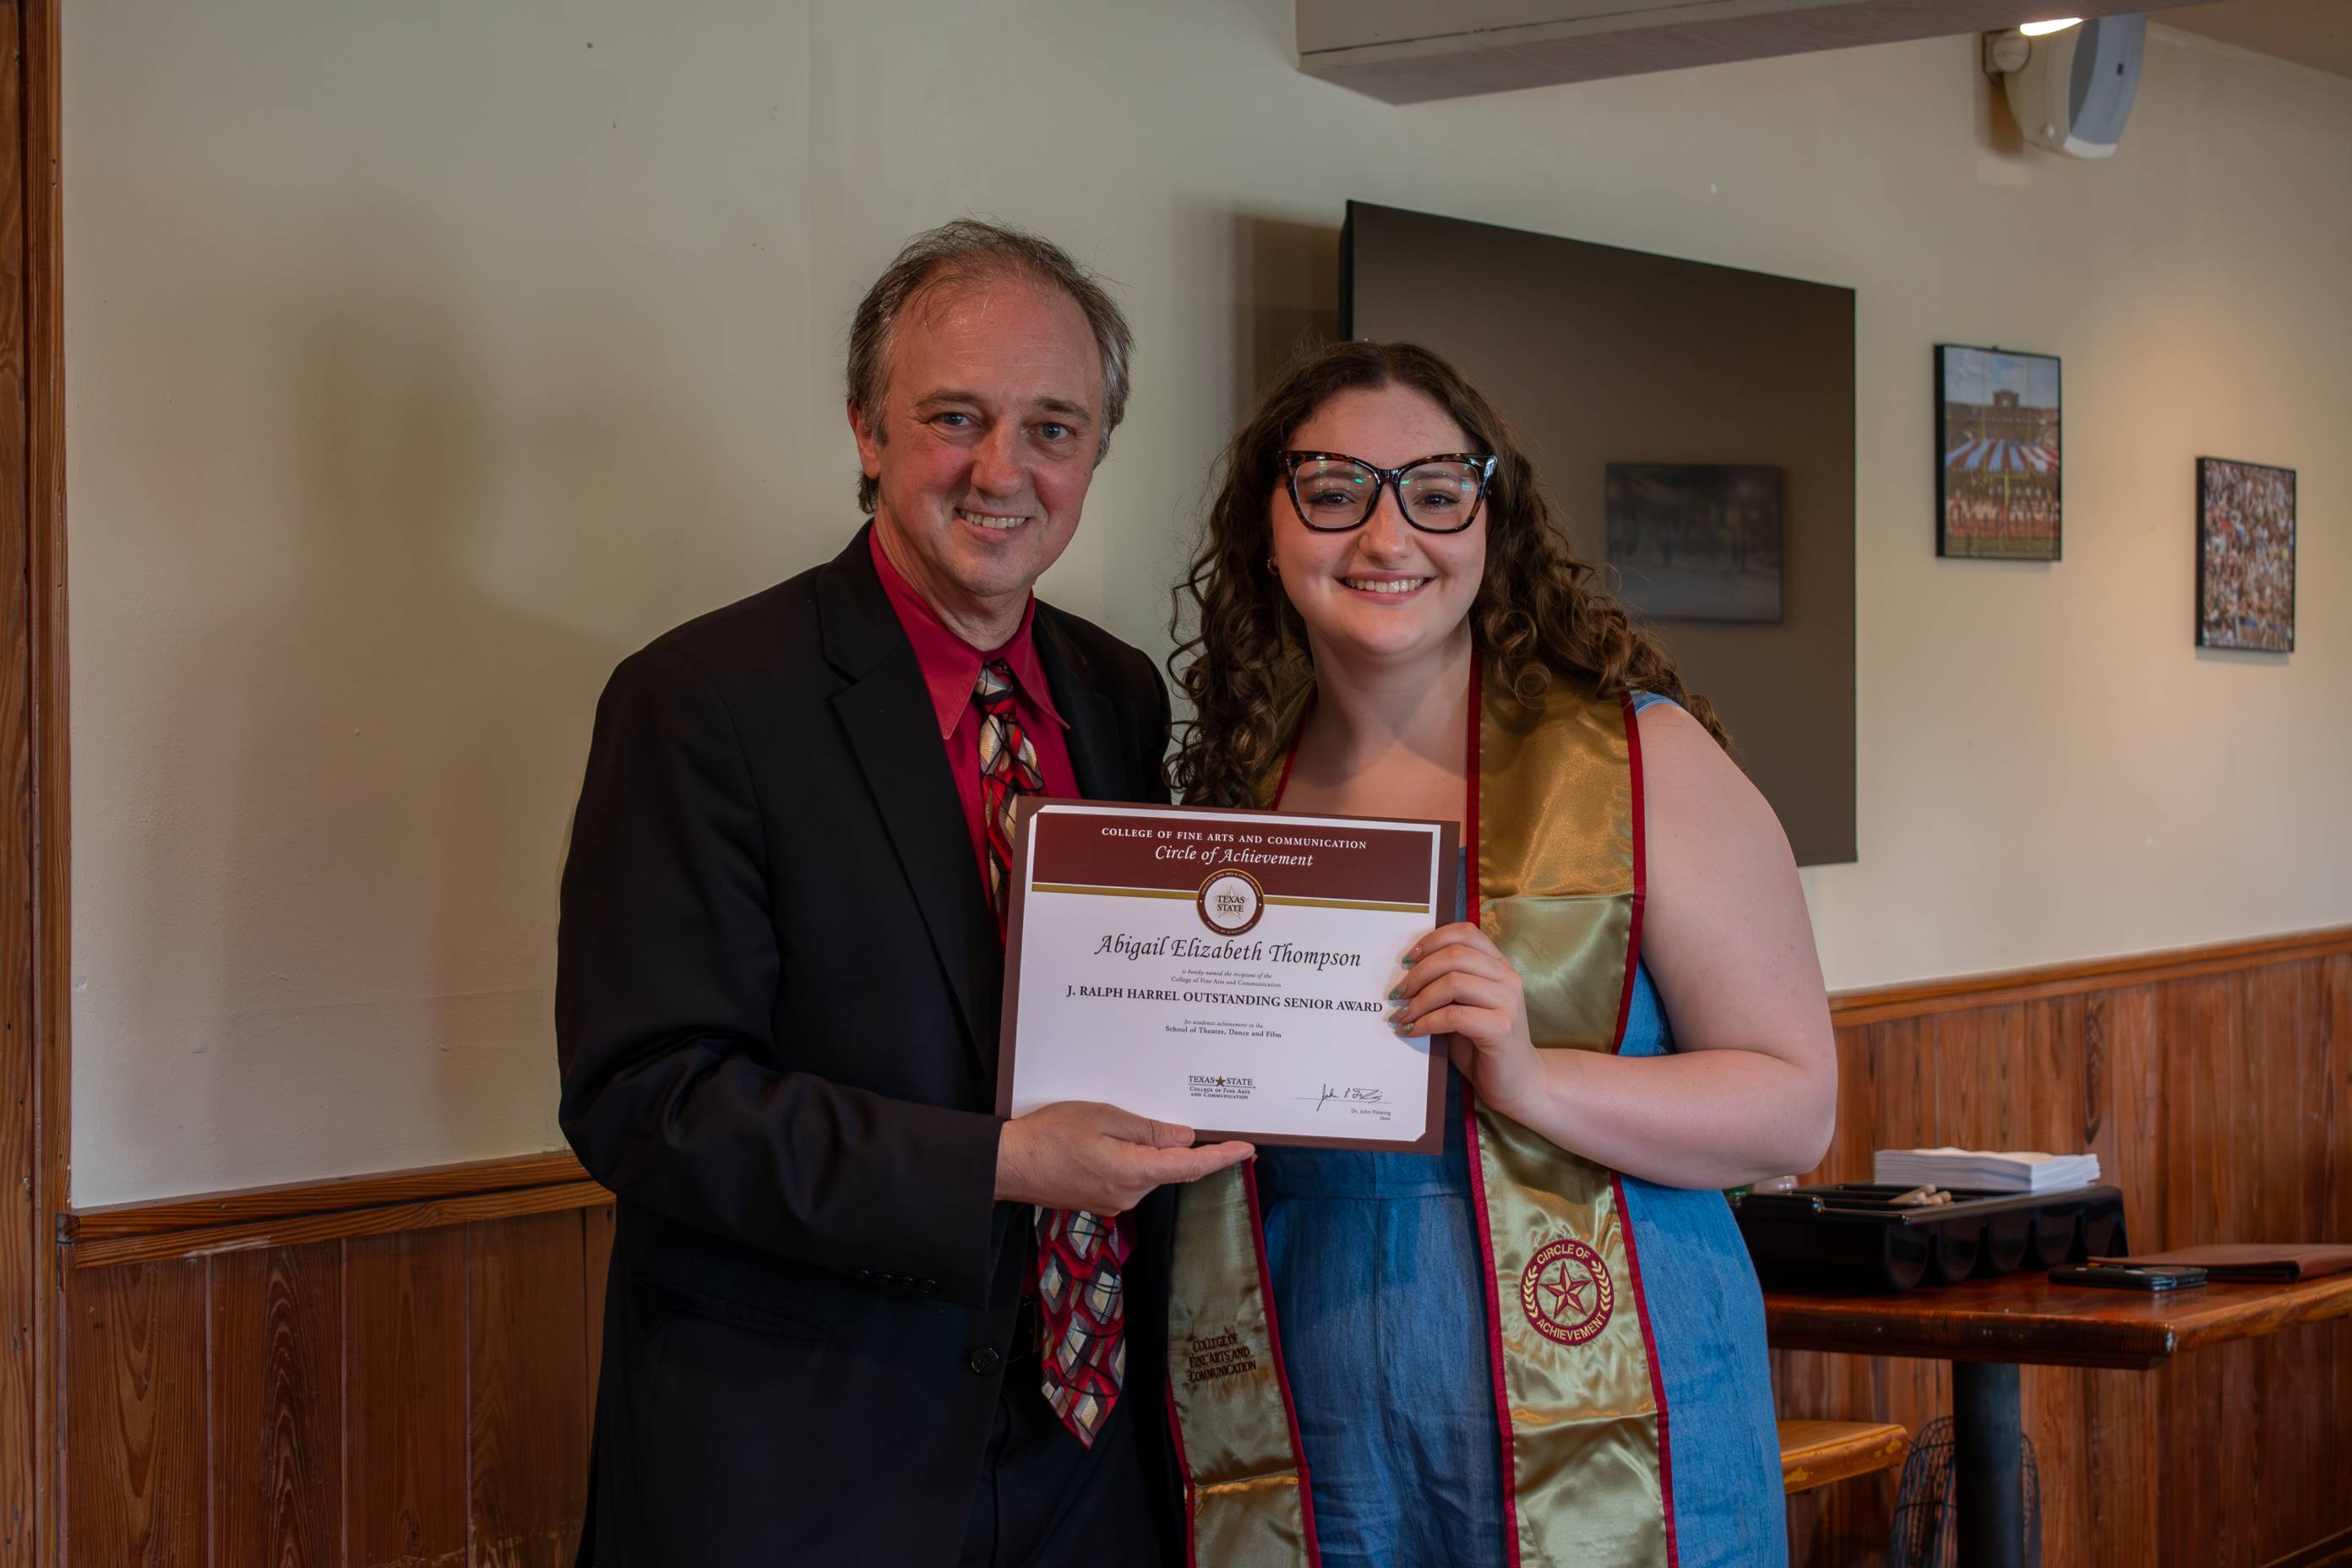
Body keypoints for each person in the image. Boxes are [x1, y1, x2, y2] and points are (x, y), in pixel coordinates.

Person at [555, 220, 1251, 1566]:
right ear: (868, 431)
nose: (1005, 471)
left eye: (1054, 427)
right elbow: (647, 1100)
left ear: (1098, 450)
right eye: (955, 418)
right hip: (806, 1468)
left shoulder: (1116, 693)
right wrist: (1004, 1166)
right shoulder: (703, 703)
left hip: (1087, 1458)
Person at [1158, 340, 1837, 1567]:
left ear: (1491, 518)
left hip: (1624, 1393)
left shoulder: (1645, 762)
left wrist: (1534, 1079)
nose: (1385, 536)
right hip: (1315, 1417)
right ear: (1267, 522)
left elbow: (1794, 1112)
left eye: (1433, 490)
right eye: (1331, 490)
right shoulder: (1229, 803)